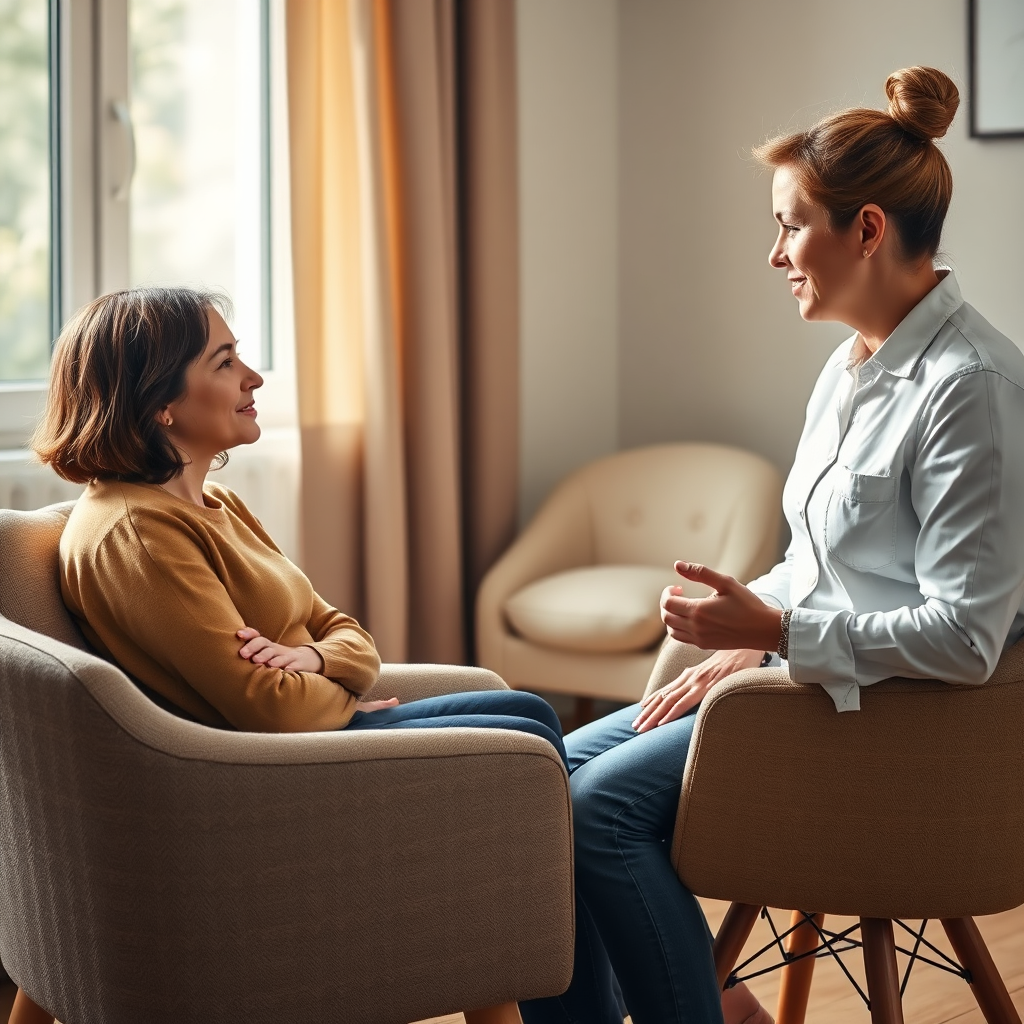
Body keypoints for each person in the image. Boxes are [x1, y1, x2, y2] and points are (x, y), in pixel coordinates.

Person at [520, 65, 1024, 1024]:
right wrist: (748, 635)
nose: (775, 254)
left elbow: (966, 638)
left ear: (866, 230)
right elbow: (822, 561)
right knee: (540, 785)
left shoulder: (975, 391)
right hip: (808, 688)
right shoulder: (848, 368)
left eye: (790, 225)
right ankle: (711, 1003)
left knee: (598, 817)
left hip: (892, 729)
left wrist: (783, 632)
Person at [14, 286, 569, 1024]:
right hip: (255, 780)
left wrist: (316, 662)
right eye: (226, 361)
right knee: (526, 743)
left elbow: (341, 630)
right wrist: (335, 678)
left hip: (302, 742)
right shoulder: (136, 534)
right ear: (159, 405)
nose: (255, 378)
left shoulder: (215, 504)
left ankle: (574, 997)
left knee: (525, 712)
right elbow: (267, 707)